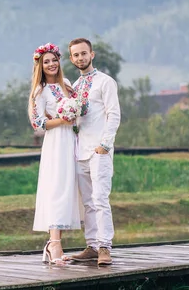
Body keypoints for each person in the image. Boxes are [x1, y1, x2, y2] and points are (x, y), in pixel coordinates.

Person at [67, 37, 121, 266]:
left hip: (99, 151)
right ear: (71, 59)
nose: (80, 58)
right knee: (87, 202)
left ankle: (105, 247)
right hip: (80, 152)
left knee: (100, 200)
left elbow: (114, 115)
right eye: (76, 55)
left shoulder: (105, 82)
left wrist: (105, 145)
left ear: (92, 54)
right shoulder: (74, 87)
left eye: (83, 53)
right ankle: (91, 245)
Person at [28, 42, 82, 265]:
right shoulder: (39, 91)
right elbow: (37, 123)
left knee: (69, 188)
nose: (51, 64)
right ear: (40, 65)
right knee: (57, 188)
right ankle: (53, 244)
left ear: (60, 61)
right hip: (56, 142)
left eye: (54, 60)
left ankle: (56, 244)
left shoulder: (67, 84)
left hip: (72, 140)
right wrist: (62, 120)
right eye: (46, 61)